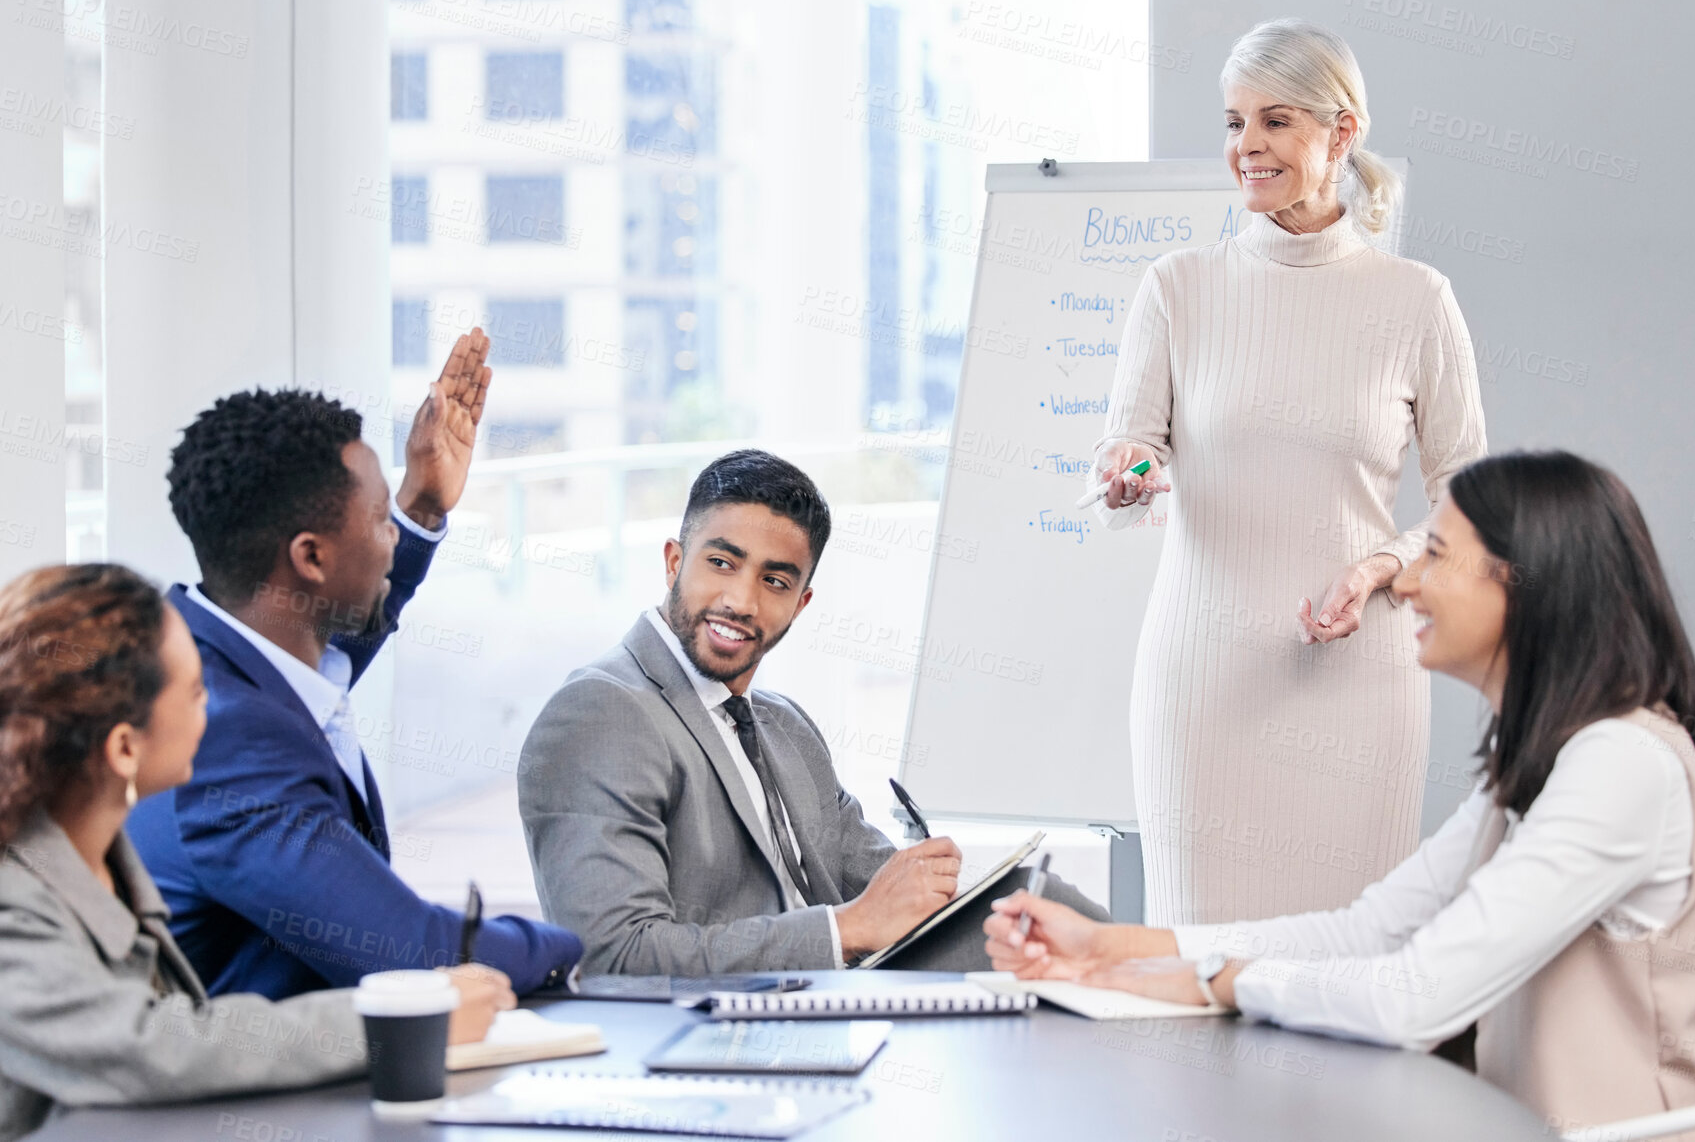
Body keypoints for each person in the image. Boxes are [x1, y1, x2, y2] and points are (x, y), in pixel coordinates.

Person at [987, 451, 1695, 1133]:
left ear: (1523, 580)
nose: (1408, 581)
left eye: (1436, 555)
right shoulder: (1543, 763)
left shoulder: (1620, 765)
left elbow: (1411, 999)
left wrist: (1219, 981)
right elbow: (1360, 933)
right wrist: (1110, 950)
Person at [1090, 18, 1488, 923]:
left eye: (1274, 121)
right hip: (1203, 683)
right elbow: (1130, 444)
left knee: (1349, 971)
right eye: (1233, 123)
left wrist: (1380, 565)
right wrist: (1131, 471)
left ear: (1340, 132)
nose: (1246, 148)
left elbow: (1474, 508)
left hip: (1361, 688)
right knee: (1200, 971)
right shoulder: (1177, 286)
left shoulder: (1415, 301)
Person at [519, 449, 1106, 975]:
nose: (741, 601)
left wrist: (926, 883)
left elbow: (873, 878)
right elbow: (611, 956)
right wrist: (846, 930)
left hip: (839, 1008)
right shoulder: (601, 711)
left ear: (800, 604)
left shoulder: (783, 725)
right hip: (728, 1042)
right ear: (675, 562)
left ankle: (1170, 969)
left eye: (774, 581)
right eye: (721, 563)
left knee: (1037, 905)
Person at [127, 330, 582, 999]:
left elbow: (323, 655)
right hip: (251, 1093)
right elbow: (414, 954)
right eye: (379, 520)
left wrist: (420, 508)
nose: (391, 534)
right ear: (310, 557)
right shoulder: (229, 741)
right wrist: (582, 943)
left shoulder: (202, 662)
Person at [0, 563, 513, 1141]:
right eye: (197, 690)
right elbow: (141, 1044)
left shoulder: (100, 858)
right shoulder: (14, 903)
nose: (215, 703)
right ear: (124, 747)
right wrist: (398, 1023)